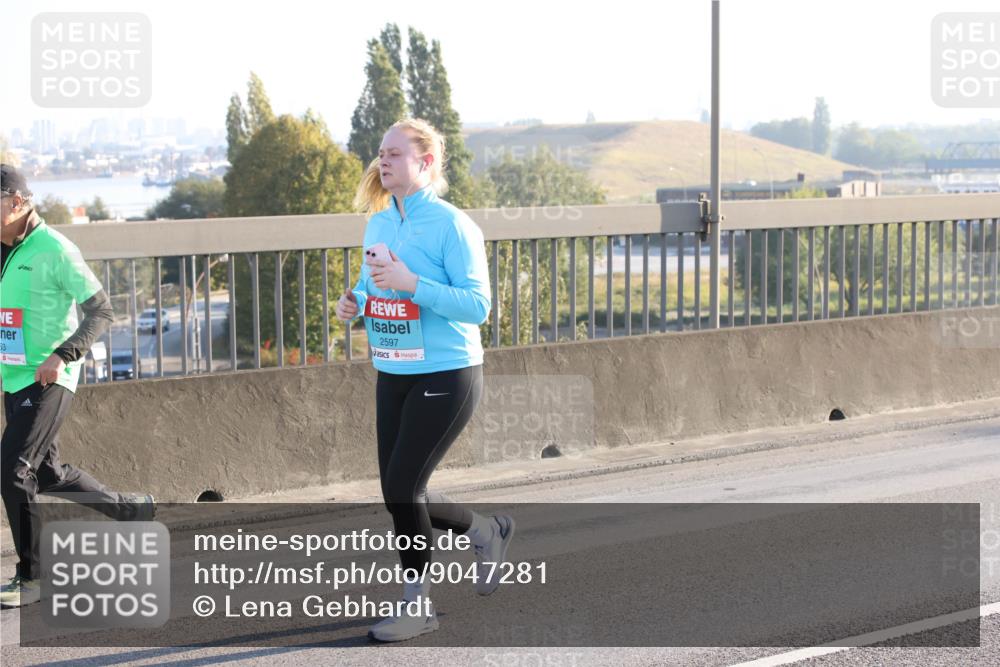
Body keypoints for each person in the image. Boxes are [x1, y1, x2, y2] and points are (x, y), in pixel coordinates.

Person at [336, 119, 515, 642]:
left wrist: (413, 283)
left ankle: (418, 606)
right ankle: (486, 530)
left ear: (426, 162)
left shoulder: (453, 225)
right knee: (400, 492)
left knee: (403, 487)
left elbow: (477, 305)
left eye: (395, 153)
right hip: (393, 372)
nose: (383, 160)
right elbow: (372, 284)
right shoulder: (378, 223)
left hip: (448, 371)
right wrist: (356, 300)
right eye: (381, 153)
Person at [0, 164, 155, 608]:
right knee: (46, 473)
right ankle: (131, 509)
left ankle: (33, 577)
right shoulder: (5, 248)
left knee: (13, 472)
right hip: (14, 378)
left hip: (49, 378)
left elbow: (101, 311)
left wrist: (62, 355)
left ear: (17, 202)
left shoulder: (56, 249)